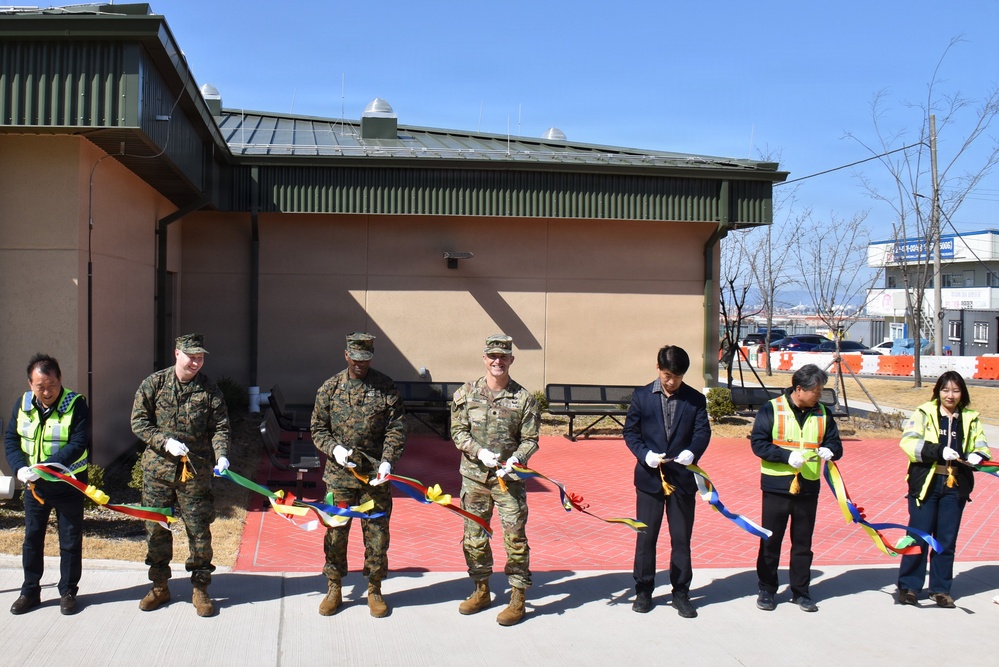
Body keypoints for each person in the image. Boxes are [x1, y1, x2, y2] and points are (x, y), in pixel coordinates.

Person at [131, 333, 230, 617]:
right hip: (157, 472)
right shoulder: (155, 384)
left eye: (200, 357)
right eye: (191, 357)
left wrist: (221, 454)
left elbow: (220, 427)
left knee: (199, 532)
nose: (196, 362)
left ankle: (200, 589)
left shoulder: (209, 391)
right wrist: (164, 442)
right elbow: (138, 421)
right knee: (156, 531)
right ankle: (160, 586)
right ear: (177, 354)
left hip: (194, 473)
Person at [310, 332, 406, 618]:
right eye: (356, 358)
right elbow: (317, 428)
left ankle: (374, 588)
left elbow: (396, 429)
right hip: (339, 477)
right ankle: (334, 587)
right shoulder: (330, 388)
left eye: (366, 359)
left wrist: (388, 461)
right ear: (346, 355)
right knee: (336, 534)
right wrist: (334, 449)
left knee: (377, 535)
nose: (360, 364)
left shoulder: (386, 388)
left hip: (374, 477)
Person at [451, 334, 540, 627]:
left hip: (508, 480)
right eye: (492, 356)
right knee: (474, 538)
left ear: (511, 360)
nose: (497, 362)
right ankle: (481, 590)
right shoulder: (466, 394)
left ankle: (517, 598)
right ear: (484, 358)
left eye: (503, 357)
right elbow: (458, 432)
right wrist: (479, 451)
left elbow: (530, 439)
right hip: (475, 478)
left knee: (515, 537)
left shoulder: (523, 398)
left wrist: (517, 459)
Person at [624, 345, 710, 618]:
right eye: (667, 374)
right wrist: (644, 454)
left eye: (677, 376)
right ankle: (643, 590)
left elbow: (702, 432)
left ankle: (681, 592)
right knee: (646, 538)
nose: (671, 381)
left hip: (681, 479)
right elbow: (631, 432)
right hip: (650, 479)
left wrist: (692, 452)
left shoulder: (694, 399)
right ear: (658, 368)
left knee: (681, 538)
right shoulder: (641, 397)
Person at [750, 363, 843, 613]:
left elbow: (836, 444)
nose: (819, 395)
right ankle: (767, 589)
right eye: (816, 391)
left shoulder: (823, 413)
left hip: (808, 487)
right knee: (771, 541)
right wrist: (784, 456)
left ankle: (800, 591)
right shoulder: (772, 409)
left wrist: (831, 450)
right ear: (799, 389)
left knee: (803, 543)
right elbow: (758, 443)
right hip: (776, 486)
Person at [4, 354, 90, 615]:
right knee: (32, 538)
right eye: (40, 386)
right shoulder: (23, 403)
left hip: (68, 485)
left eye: (51, 384)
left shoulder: (76, 404)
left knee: (70, 540)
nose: (46, 391)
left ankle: (67, 591)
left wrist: (44, 468)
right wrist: (19, 468)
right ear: (30, 384)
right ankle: (30, 591)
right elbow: (11, 438)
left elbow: (78, 443)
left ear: (60, 379)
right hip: (35, 488)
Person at [896, 371, 990, 608]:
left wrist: (979, 455)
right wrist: (938, 451)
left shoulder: (970, 417)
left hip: (955, 485)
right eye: (945, 390)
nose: (950, 395)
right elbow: (908, 442)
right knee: (918, 536)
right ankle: (908, 586)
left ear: (962, 393)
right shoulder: (924, 412)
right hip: (927, 483)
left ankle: (940, 589)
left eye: (956, 390)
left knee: (946, 539)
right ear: (938, 391)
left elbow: (981, 445)